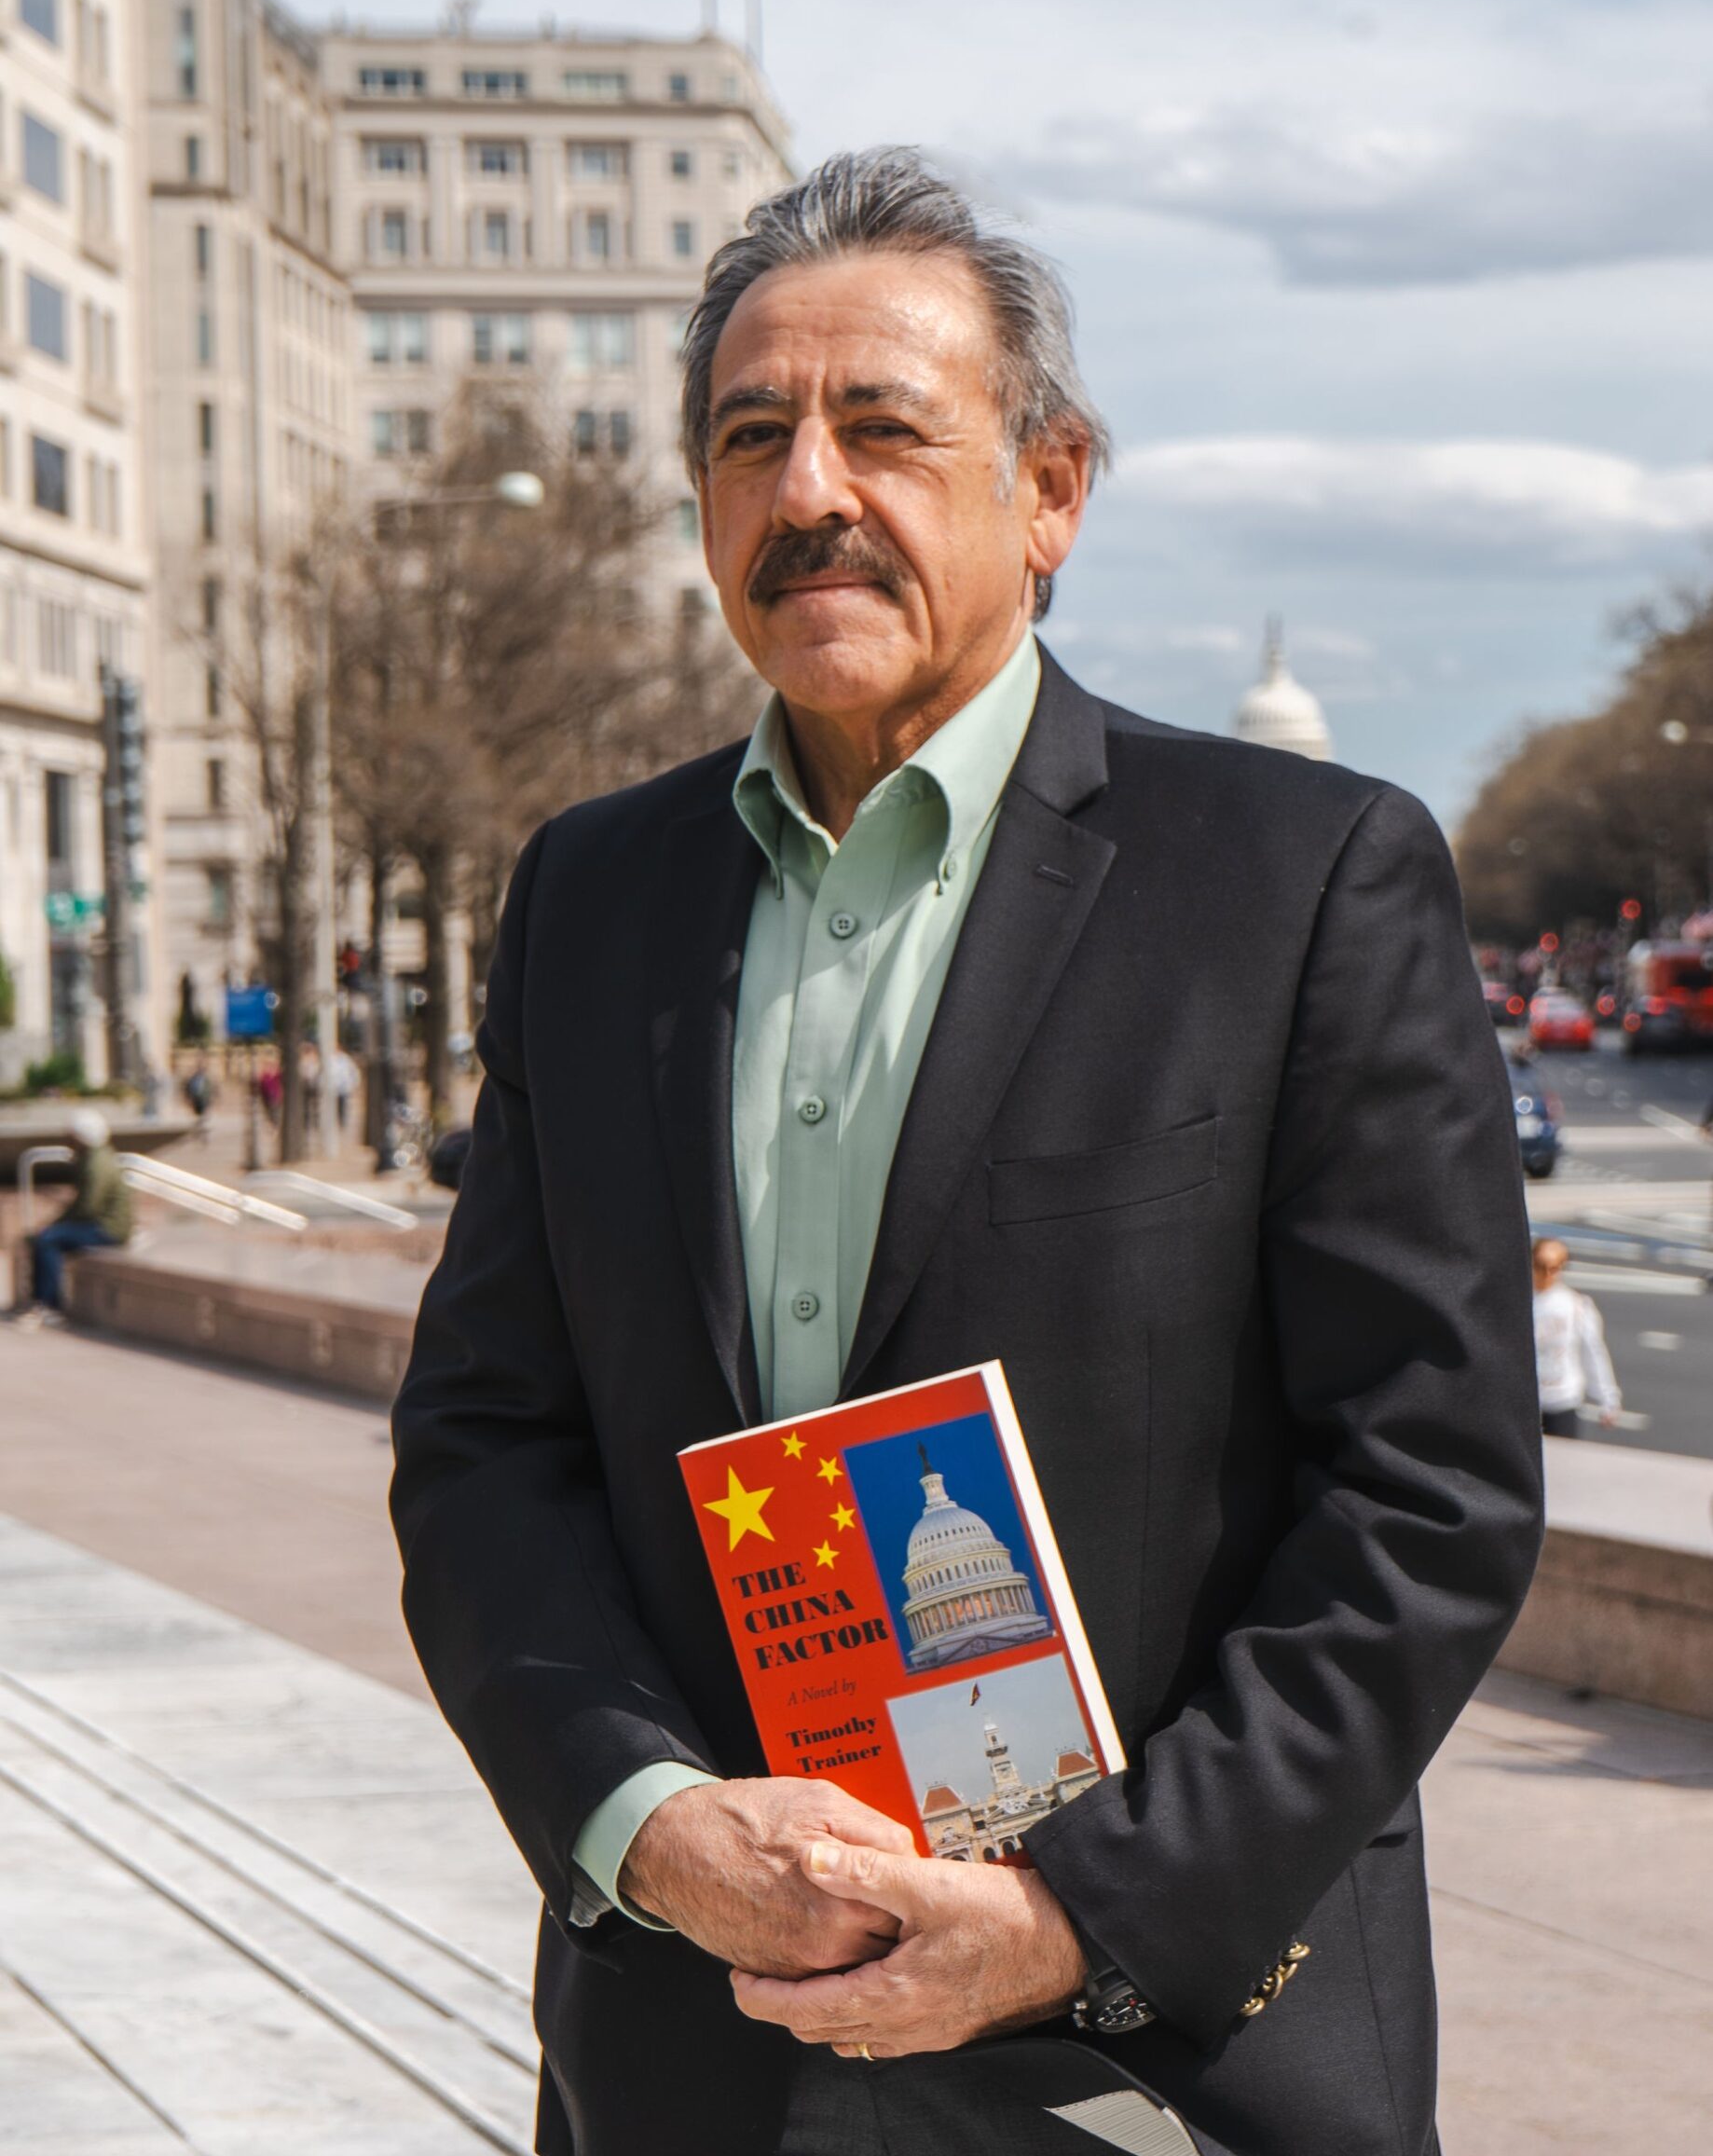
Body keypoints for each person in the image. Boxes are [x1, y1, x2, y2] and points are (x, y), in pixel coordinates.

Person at [391, 150, 1542, 2156]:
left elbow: (1427, 1493)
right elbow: (488, 1439)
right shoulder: (589, 898)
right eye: (749, 436)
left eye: (883, 428)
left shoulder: (1297, 880)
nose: (809, 490)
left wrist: (1070, 1913)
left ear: (1051, 488)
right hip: (694, 2049)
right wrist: (643, 1819)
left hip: (1153, 2051)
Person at [20, 1108, 132, 1325]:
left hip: (108, 1228)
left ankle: (50, 1305)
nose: (67, 1141)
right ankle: (41, 1300)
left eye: (70, 1137)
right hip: (101, 1224)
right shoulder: (93, 1157)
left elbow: (88, 1207)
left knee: (47, 1240)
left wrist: (56, 1225)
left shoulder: (96, 1163)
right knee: (47, 1236)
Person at [1531, 1237, 1621, 1435]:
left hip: (1562, 1399)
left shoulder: (1576, 1305)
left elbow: (1594, 1352)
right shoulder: (1520, 1304)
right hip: (1526, 1400)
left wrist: (1608, 1398)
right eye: (1539, 1266)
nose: (1546, 1274)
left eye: (1553, 1268)